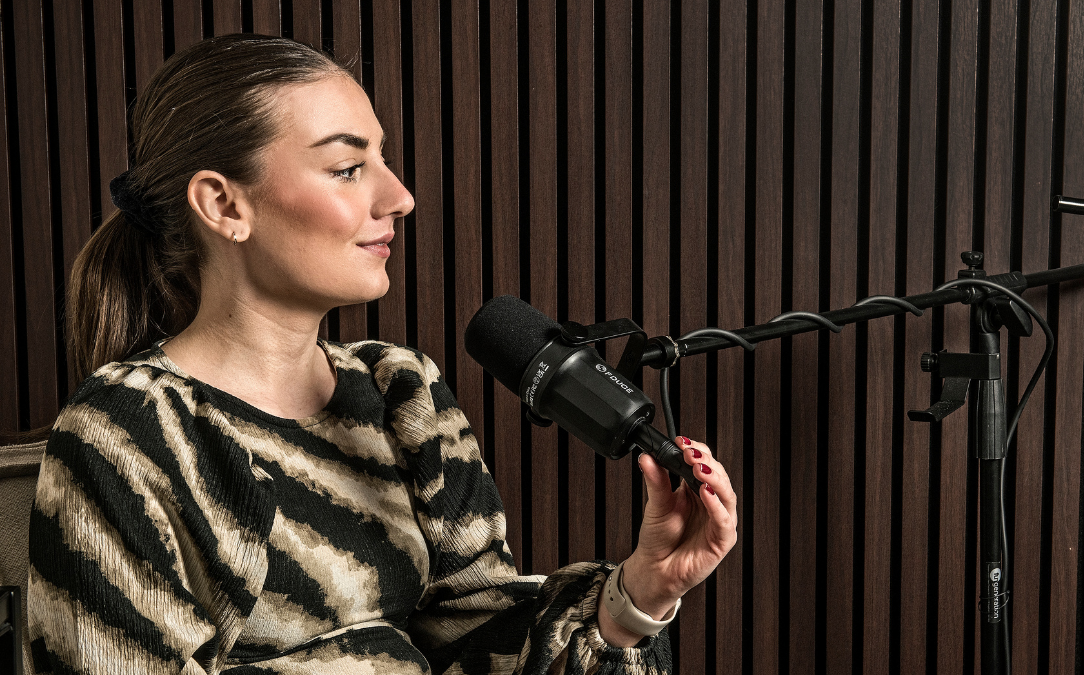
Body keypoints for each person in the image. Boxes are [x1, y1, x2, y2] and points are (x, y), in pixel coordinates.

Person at [26, 34, 737, 674]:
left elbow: (484, 641)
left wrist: (635, 596)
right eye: (346, 168)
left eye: (383, 159)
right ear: (223, 205)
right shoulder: (126, 432)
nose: (399, 196)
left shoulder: (403, 392)